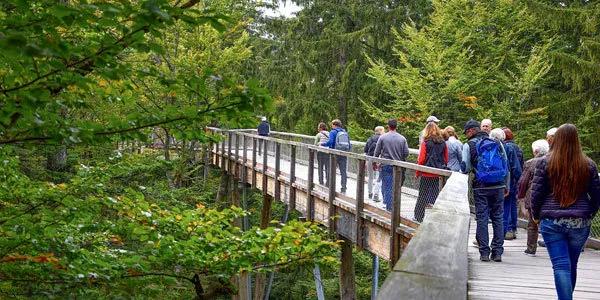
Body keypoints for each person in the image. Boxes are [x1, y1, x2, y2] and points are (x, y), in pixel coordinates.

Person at [530, 124, 600, 300]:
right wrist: (589, 212)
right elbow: (597, 195)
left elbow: (537, 193)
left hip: (552, 221)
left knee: (561, 265)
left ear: (557, 139)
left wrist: (536, 215)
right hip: (580, 222)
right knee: (572, 264)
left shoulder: (545, 162)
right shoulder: (588, 164)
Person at [461, 119, 509, 262]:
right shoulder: (496, 142)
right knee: (498, 217)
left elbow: (465, 167)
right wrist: (506, 185)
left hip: (480, 186)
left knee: (482, 218)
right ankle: (497, 252)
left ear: (471, 131)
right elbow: (505, 164)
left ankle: (484, 252)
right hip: (499, 185)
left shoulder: (469, 145)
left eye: (466, 132)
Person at [517, 139, 549, 256]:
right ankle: (551, 246)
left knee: (532, 223)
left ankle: (531, 248)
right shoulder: (553, 161)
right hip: (549, 197)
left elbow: (523, 181)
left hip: (534, 195)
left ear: (535, 151)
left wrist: (520, 195)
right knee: (547, 222)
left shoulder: (530, 163)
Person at [414, 122, 448, 222]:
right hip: (438, 173)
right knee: (436, 195)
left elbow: (421, 159)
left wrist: (417, 172)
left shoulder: (426, 142)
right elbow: (446, 158)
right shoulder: (443, 143)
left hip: (426, 173)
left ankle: (419, 217)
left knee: (422, 195)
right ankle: (436, 218)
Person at [374, 119, 409, 211]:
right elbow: (406, 153)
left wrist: (374, 162)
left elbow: (376, 151)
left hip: (385, 165)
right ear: (396, 126)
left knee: (387, 185)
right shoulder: (402, 138)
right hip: (398, 166)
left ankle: (388, 206)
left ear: (388, 126)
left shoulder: (382, 137)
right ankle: (392, 204)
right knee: (396, 186)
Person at [501, 127, 524, 240]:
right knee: (513, 204)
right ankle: (513, 227)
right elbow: (520, 165)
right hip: (515, 180)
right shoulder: (518, 148)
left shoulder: (505, 147)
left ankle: (508, 229)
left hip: (507, 180)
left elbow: (513, 166)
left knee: (506, 205)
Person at [321, 119, 351, 193]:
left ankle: (329, 185)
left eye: (332, 125)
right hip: (343, 154)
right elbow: (349, 145)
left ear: (334, 125)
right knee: (343, 171)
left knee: (330, 170)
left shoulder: (333, 132)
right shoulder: (344, 132)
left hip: (334, 154)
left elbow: (330, 142)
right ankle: (343, 188)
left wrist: (323, 144)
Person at [365, 126, 385, 200]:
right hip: (379, 159)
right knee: (379, 177)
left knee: (370, 177)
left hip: (370, 158)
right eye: (383, 130)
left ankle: (370, 193)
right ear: (380, 131)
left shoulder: (370, 139)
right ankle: (376, 194)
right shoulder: (383, 139)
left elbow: (366, 150)